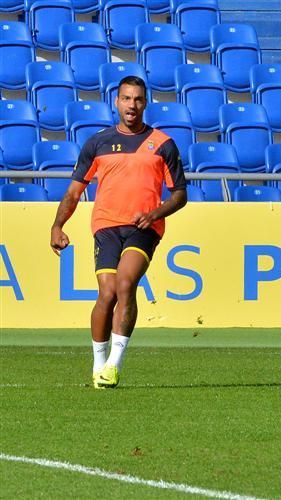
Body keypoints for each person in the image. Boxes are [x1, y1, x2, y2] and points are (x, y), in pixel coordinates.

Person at [50, 76, 187, 389]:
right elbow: (73, 192)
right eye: (126, 99)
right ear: (117, 102)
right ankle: (98, 364)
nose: (132, 105)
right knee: (107, 293)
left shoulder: (162, 144)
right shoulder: (97, 143)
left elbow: (180, 194)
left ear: (145, 102)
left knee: (126, 283)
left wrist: (155, 213)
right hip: (106, 227)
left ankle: (114, 364)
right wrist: (58, 225)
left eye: (138, 99)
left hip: (145, 227)